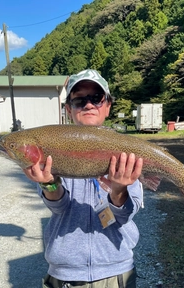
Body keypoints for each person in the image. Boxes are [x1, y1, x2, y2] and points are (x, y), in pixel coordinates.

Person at [23, 69, 144, 288]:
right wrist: (48, 182)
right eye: (79, 100)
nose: (88, 105)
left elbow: (127, 213)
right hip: (64, 275)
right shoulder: (54, 146)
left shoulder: (125, 151)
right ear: (69, 109)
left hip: (115, 273)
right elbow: (59, 207)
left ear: (107, 106)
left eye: (96, 98)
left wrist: (118, 191)